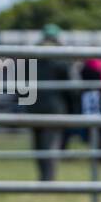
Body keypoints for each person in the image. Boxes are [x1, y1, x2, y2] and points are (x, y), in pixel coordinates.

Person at [28, 24, 72, 182]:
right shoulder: (61, 57)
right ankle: (48, 178)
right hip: (55, 107)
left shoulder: (31, 55)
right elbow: (70, 86)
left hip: (33, 106)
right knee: (50, 143)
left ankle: (44, 176)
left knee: (39, 144)